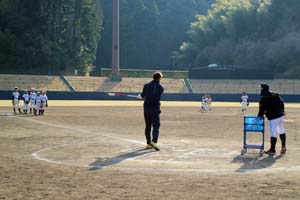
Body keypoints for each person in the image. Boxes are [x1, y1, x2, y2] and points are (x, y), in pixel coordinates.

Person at [257, 83, 287, 155]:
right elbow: (282, 102)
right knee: (281, 130)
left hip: (273, 118)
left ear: (262, 89)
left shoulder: (263, 98)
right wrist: (282, 111)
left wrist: (259, 117)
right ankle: (283, 146)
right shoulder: (275, 94)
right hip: (280, 116)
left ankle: (272, 150)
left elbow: (262, 110)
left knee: (273, 133)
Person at [139, 71, 164, 151]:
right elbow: (155, 95)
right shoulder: (161, 88)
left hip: (146, 108)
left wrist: (140, 96)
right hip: (155, 108)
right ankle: (153, 142)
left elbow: (143, 95)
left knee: (148, 126)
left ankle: (148, 143)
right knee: (156, 125)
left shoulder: (146, 86)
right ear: (159, 78)